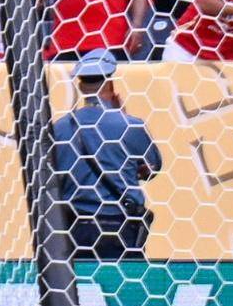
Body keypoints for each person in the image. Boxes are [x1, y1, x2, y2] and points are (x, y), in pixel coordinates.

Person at [45, 49, 161, 261]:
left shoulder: (59, 129)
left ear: (81, 87)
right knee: (123, 279)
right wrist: (123, 116)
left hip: (75, 226)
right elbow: (153, 168)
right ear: (110, 84)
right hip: (120, 225)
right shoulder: (129, 125)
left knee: (79, 280)